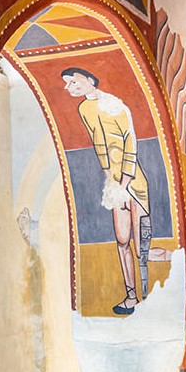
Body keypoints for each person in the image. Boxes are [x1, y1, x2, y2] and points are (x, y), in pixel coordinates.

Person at [61, 66, 151, 314]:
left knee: (140, 240)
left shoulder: (116, 106)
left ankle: (150, 296)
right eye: (67, 84)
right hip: (113, 184)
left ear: (89, 79)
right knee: (122, 240)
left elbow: (129, 142)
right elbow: (99, 147)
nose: (69, 87)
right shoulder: (84, 109)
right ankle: (131, 296)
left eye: (73, 81)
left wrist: (123, 183)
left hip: (132, 181)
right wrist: (110, 183)